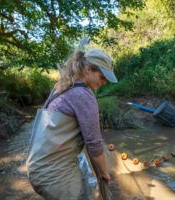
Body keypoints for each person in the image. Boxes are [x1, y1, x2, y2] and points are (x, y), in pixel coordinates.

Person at [26, 48, 117, 200]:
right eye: (102, 76)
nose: (104, 82)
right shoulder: (84, 95)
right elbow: (94, 144)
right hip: (54, 175)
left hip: (37, 169)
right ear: (88, 69)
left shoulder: (62, 86)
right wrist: (104, 173)